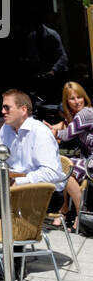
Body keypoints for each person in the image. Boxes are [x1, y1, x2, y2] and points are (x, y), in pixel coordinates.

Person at [0, 89, 65, 188]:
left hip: (39, 193)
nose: (3, 111)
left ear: (23, 110)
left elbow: (51, 173)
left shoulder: (39, 132)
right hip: (11, 188)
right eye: (3, 107)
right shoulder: (6, 128)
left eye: (7, 108)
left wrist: (18, 182)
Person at [46, 81, 93, 230]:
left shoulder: (86, 113)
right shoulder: (76, 116)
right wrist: (50, 128)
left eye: (79, 97)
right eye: (72, 98)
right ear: (66, 101)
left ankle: (78, 212)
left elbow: (67, 134)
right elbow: (65, 125)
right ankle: (65, 209)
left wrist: (55, 133)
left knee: (65, 168)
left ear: (84, 97)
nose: (77, 101)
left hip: (91, 161)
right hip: (89, 160)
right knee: (65, 166)